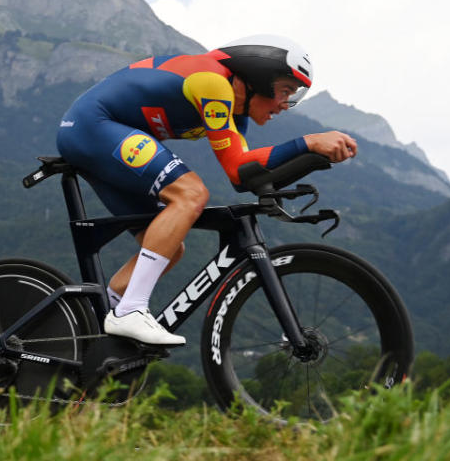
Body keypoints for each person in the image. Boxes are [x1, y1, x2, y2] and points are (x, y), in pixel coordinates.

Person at [55, 34, 357, 345]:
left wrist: (313, 158)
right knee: (191, 193)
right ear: (259, 78)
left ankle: (95, 334)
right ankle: (130, 311)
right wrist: (308, 142)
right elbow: (239, 169)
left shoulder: (235, 113)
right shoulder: (213, 83)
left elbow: (242, 175)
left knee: (167, 246)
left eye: (293, 97)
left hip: (105, 136)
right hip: (93, 126)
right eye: (285, 92)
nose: (286, 105)